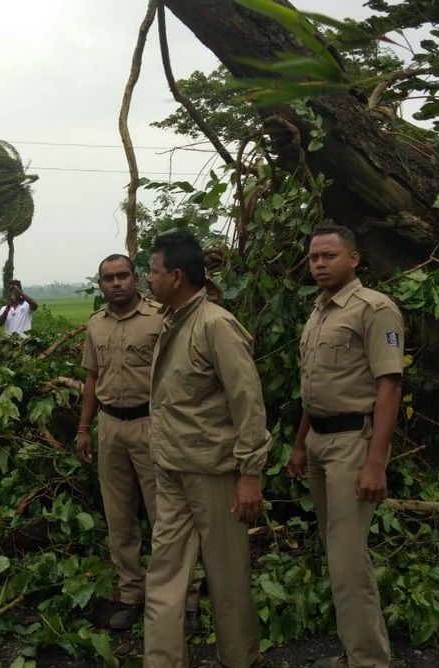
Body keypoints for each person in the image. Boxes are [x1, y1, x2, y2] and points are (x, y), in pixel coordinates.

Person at [144, 231, 268, 668]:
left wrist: (250, 473)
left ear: (177, 276)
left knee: (227, 572)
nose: (148, 279)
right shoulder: (172, 321)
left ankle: (239, 658)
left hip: (214, 472)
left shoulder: (216, 325)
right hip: (171, 466)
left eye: (153, 271)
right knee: (165, 570)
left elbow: (247, 402)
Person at [286, 224, 404, 668]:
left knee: (347, 559)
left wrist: (375, 463)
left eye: (329, 255)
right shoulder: (319, 311)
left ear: (353, 259)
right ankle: (359, 651)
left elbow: (389, 387)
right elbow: (312, 386)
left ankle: (368, 660)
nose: (319, 264)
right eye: (314, 257)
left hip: (353, 444)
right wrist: (300, 444)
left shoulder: (375, 309)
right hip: (319, 440)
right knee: (339, 553)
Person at [77, 253, 199, 632]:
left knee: (166, 515)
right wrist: (83, 428)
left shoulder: (160, 319)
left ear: (136, 278)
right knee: (119, 517)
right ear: (100, 284)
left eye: (122, 275)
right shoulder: (95, 324)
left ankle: (185, 597)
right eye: (108, 278)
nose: (116, 283)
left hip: (152, 424)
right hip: (110, 426)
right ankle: (131, 593)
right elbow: (91, 379)